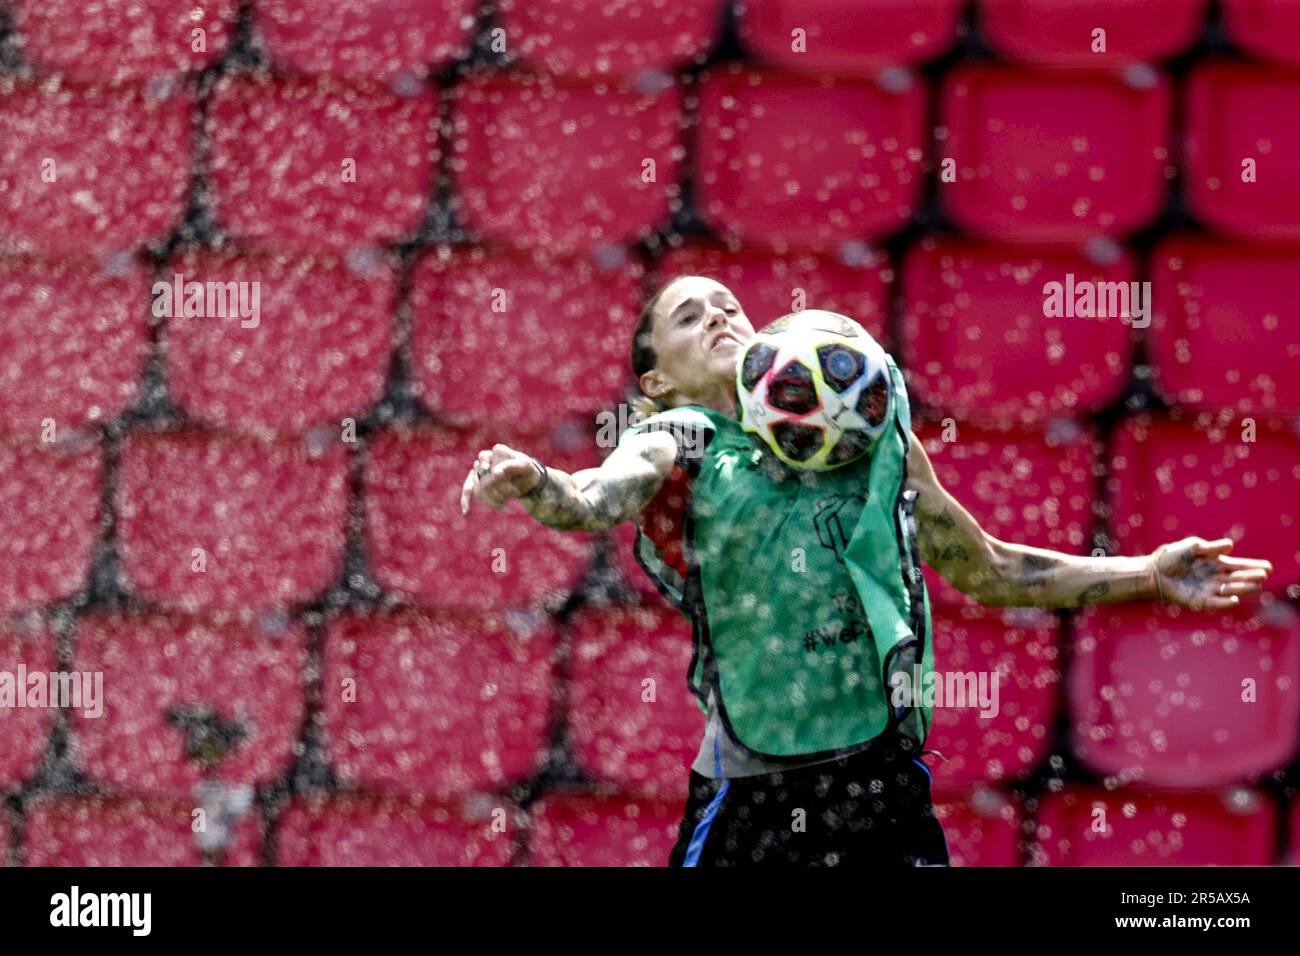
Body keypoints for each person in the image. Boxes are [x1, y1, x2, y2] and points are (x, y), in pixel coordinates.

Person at [459, 274, 1274, 867]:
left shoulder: (874, 439)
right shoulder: (680, 440)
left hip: (878, 779)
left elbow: (991, 571)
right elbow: (601, 496)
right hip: (751, 793)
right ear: (657, 379)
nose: (719, 314)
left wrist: (1150, 572)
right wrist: (541, 484)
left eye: (729, 305)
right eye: (687, 314)